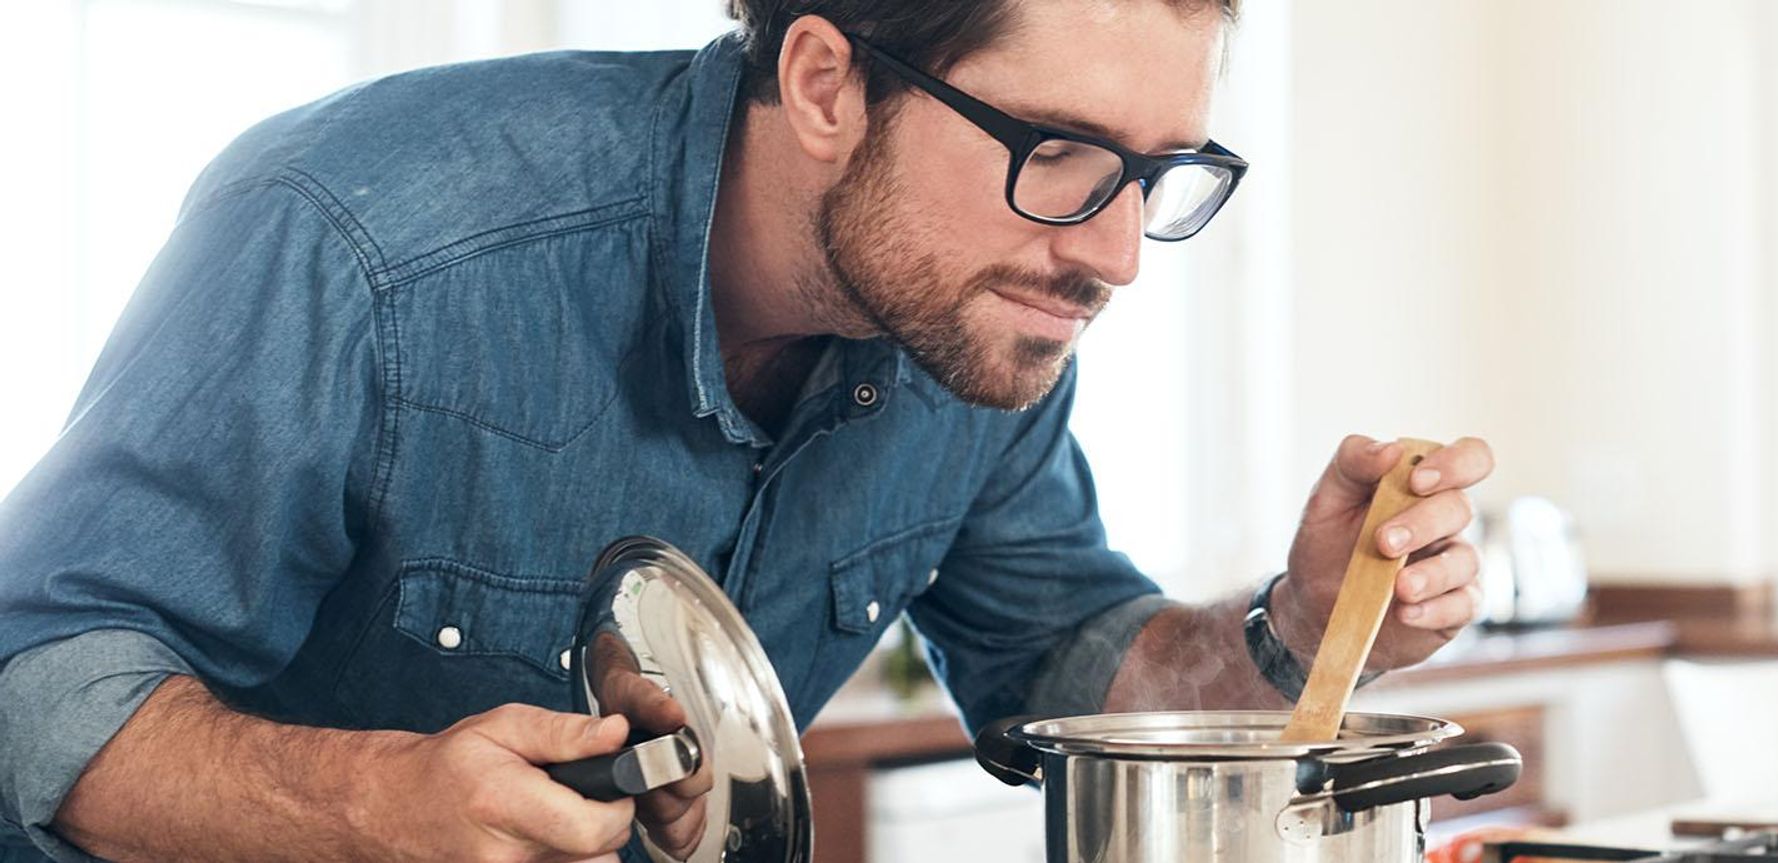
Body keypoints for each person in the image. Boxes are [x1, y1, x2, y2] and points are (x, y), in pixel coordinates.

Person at [0, 1, 1492, 860]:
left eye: (1156, 177)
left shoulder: (971, 314)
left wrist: (1304, 622)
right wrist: (368, 802)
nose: (1108, 258)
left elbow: (1068, 663)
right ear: (826, 81)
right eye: (1057, 157)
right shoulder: (364, 236)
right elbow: (29, 686)